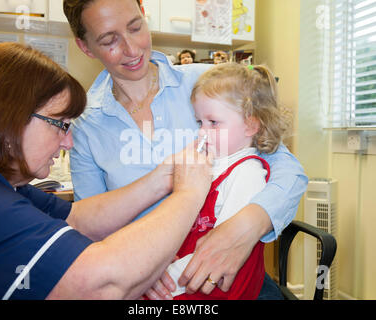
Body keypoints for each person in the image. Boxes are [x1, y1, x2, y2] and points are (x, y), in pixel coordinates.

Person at [63, 0, 308, 299]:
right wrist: (140, 267)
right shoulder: (86, 125)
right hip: (147, 285)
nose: (131, 49)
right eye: (109, 40)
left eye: (135, 27)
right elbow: (89, 228)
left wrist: (245, 227)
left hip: (228, 273)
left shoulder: (208, 84)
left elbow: (289, 170)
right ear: (86, 47)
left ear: (145, 16)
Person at [0, 42, 212, 300]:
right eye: (60, 125)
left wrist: (163, 179)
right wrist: (188, 194)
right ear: (11, 119)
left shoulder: (5, 187)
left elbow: (78, 220)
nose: (69, 142)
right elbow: (101, 285)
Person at [166, 63, 290, 299]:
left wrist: (165, 279)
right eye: (199, 122)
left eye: (213, 123)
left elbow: (219, 248)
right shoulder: (213, 163)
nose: (202, 132)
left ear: (251, 125)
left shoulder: (247, 174)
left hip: (216, 288)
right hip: (191, 276)